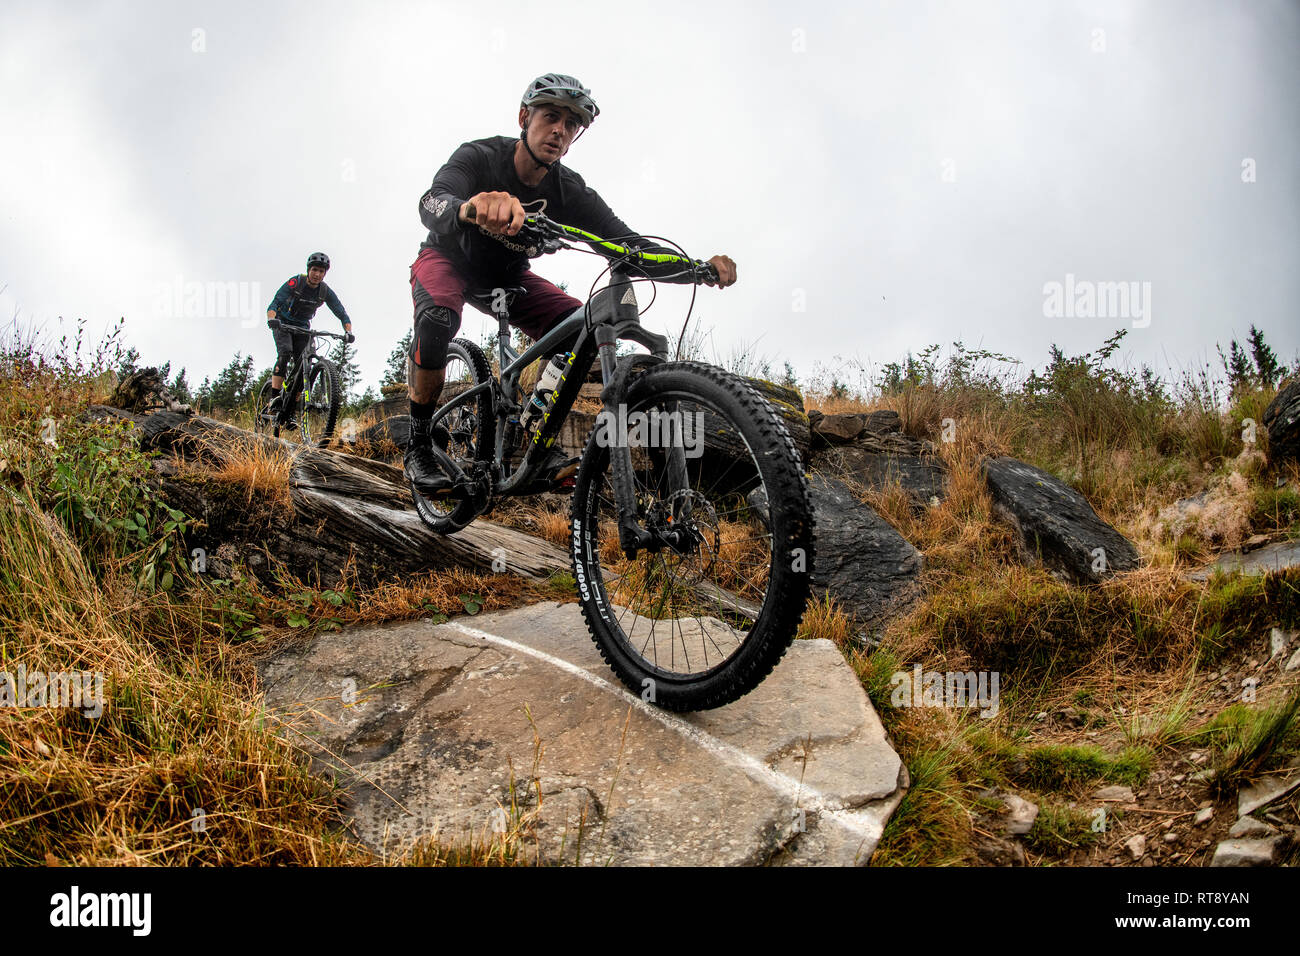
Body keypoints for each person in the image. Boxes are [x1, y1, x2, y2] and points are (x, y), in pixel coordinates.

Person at [405, 72, 738, 490]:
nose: (560, 130)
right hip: (448, 258)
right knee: (436, 319)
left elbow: (629, 247)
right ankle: (418, 444)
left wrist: (695, 268)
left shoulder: (570, 192)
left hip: (509, 278)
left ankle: (535, 437)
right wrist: (470, 208)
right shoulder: (479, 156)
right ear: (524, 116)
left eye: (572, 124)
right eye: (551, 116)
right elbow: (431, 200)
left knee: (582, 329)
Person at [265, 252, 354, 425]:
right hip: (283, 324)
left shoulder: (324, 291)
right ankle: (274, 400)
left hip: (303, 329)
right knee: (285, 353)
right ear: (309, 270)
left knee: (304, 368)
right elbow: (275, 303)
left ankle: (291, 410)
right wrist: (272, 319)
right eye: (314, 270)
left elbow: (341, 313)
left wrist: (348, 332)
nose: (317, 274)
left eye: (321, 271)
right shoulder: (296, 282)